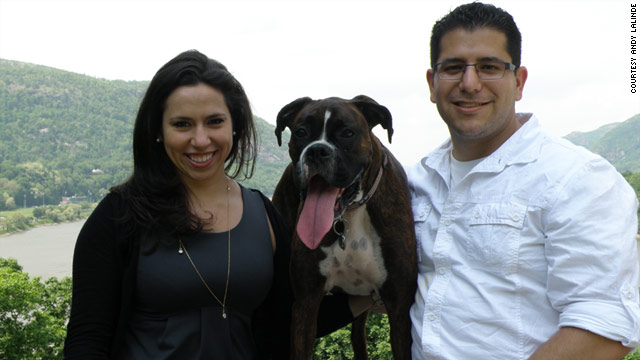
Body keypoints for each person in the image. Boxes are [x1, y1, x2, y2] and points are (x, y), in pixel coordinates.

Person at [63, 50, 374, 359]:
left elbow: (291, 317)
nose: (200, 140)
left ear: (234, 125)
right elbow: (87, 337)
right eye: (182, 124)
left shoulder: (263, 216)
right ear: (158, 131)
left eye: (214, 122)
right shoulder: (119, 215)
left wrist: (369, 296)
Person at [407, 3, 640, 359]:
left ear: (518, 82)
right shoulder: (416, 182)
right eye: (453, 68)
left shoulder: (575, 178)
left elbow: (604, 326)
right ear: (432, 82)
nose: (470, 83)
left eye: (489, 67)